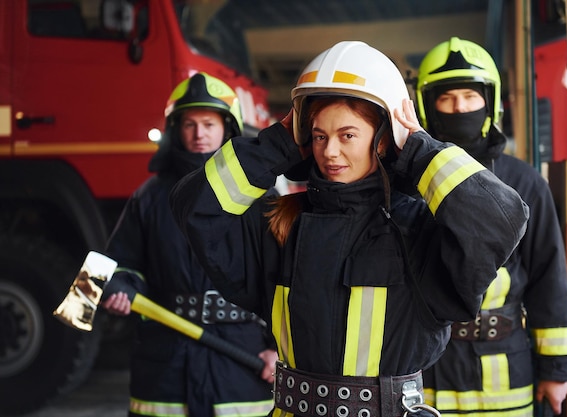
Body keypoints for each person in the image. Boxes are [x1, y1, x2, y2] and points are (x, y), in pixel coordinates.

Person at [170, 41, 528, 417]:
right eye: (320, 136)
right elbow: (194, 207)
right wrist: (276, 145)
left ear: (385, 139)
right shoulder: (279, 224)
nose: (330, 152)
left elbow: (501, 220)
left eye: (348, 135)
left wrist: (421, 153)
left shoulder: (417, 229)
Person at [415, 37, 567, 417]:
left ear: (490, 101)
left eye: (470, 97)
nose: (460, 108)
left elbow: (548, 278)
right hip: (426, 375)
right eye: (447, 98)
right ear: (428, 105)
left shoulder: (524, 182)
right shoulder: (408, 183)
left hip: (506, 378)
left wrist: (555, 371)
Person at [100, 72, 278, 417]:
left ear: (228, 129)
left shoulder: (260, 199)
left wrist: (278, 350)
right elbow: (120, 262)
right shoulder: (149, 197)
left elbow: (283, 280)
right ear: (175, 130)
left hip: (241, 360)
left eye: (209, 124)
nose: (199, 134)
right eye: (190, 124)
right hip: (166, 363)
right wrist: (121, 286)